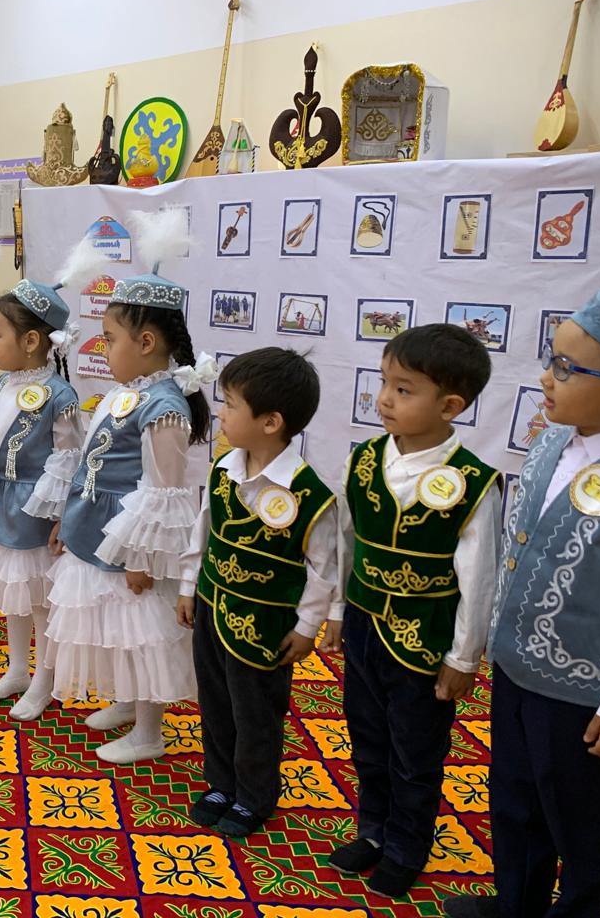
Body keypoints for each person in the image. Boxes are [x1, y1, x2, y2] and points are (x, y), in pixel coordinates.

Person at [446, 291, 600, 918]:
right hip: (517, 665)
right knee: (514, 797)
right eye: (551, 359)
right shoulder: (553, 441)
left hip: (583, 689)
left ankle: (579, 907)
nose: (546, 378)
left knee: (577, 813)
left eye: (565, 367)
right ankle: (517, 903)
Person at [328, 323, 501, 899]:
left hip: (425, 639)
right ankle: (373, 831)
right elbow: (346, 543)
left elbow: (478, 578)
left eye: (403, 389)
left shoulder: (473, 482)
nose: (384, 399)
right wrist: (337, 610)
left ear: (450, 406)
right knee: (366, 736)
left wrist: (463, 657)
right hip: (363, 623)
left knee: (415, 750)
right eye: (384, 383)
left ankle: (406, 847)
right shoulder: (363, 460)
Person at [42, 207, 215, 764]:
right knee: (114, 623)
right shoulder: (127, 393)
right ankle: (126, 700)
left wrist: (142, 557)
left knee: (141, 627)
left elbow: (165, 491)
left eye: (109, 338)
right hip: (100, 524)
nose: (102, 348)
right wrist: (68, 518)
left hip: (134, 540)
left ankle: (148, 730)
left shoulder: (164, 407)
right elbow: (91, 463)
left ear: (145, 341)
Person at [178, 348, 339, 837]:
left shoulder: (310, 495)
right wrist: (188, 587)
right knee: (215, 700)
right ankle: (221, 783)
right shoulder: (224, 469)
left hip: (264, 626)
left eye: (230, 404)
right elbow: (202, 532)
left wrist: (308, 627)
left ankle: (253, 796)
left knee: (256, 712)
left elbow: (324, 568)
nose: (221, 412)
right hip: (212, 606)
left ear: (270, 422)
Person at [0, 278, 83, 715]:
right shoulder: (5, 384)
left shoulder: (59, 395)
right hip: (0, 498)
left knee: (39, 599)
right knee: (15, 593)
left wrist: (56, 512)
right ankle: (17, 669)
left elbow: (68, 457)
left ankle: (44, 680)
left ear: (30, 341)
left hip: (34, 508)